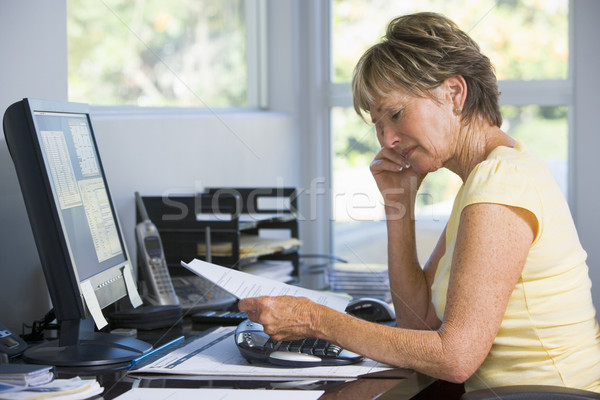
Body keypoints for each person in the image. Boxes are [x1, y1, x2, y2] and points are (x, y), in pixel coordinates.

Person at [238, 12, 600, 392]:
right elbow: (419, 321)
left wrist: (318, 320)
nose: (386, 140)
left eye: (395, 114)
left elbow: (454, 357)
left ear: (454, 94)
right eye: (377, 124)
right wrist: (399, 205)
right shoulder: (486, 178)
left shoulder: (500, 184)